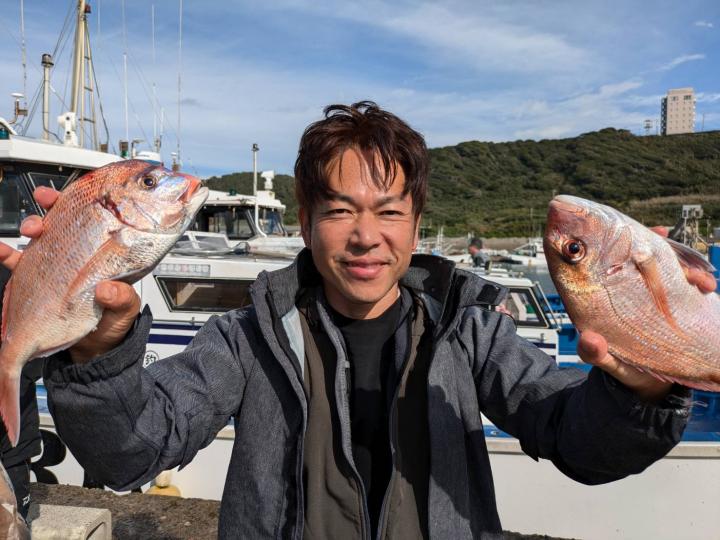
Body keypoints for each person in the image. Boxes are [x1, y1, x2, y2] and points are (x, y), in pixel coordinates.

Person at [2, 102, 717, 539]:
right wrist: (98, 350)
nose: (365, 236)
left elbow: (579, 442)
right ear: (307, 220)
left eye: (389, 211)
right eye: (340, 210)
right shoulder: (247, 338)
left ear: (416, 224)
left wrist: (642, 390)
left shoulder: (469, 330)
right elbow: (129, 453)